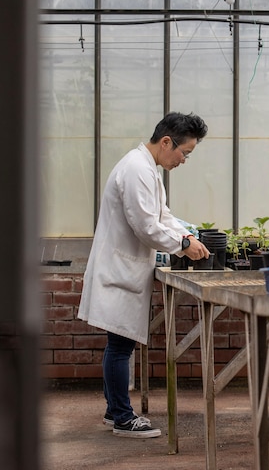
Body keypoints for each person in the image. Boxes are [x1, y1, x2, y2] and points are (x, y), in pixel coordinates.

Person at [78, 112, 211, 438]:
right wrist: (183, 243)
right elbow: (146, 227)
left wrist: (188, 236)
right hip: (119, 270)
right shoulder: (136, 169)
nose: (184, 160)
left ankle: (114, 411)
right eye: (185, 153)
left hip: (124, 269)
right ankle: (123, 418)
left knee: (118, 344)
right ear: (167, 142)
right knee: (120, 345)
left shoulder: (147, 169)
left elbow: (162, 216)